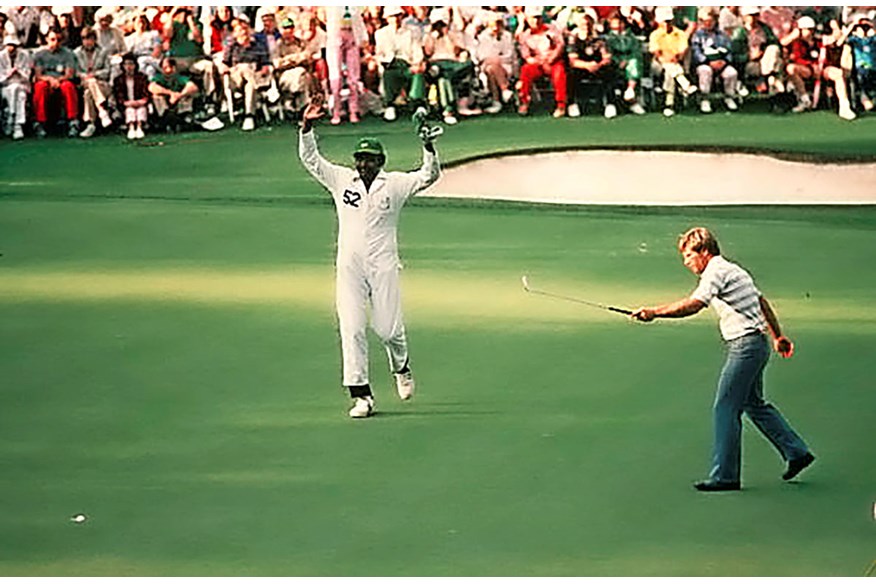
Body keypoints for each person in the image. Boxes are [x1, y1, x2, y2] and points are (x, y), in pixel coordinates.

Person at [631, 227, 815, 492]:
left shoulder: (715, 272)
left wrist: (654, 312)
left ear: (704, 252)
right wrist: (777, 336)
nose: (686, 262)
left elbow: (695, 304)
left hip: (745, 346)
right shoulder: (735, 270)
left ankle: (726, 476)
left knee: (725, 407)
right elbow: (761, 302)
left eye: (688, 256)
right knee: (754, 403)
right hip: (757, 344)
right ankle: (796, 452)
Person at [297, 96, 441, 419]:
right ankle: (361, 395)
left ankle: (401, 366)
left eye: (370, 159)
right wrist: (306, 126)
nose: (363, 164)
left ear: (381, 161)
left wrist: (428, 148)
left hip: (384, 264)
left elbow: (428, 177)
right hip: (349, 266)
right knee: (352, 327)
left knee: (388, 330)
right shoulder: (341, 180)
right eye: (360, 159)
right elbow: (312, 161)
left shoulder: (395, 184)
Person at [516, 5, 567, 118]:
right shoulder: (525, 36)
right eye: (532, 18)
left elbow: (560, 45)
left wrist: (552, 58)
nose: (535, 21)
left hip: (553, 62)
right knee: (526, 70)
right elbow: (527, 56)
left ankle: (561, 105)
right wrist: (538, 62)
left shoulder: (552, 30)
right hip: (538, 64)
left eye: (538, 17)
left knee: (559, 72)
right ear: (527, 19)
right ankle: (524, 102)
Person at [648, 6, 698, 117]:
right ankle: (685, 84)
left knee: (670, 73)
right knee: (670, 68)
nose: (666, 24)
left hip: (675, 63)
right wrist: (666, 58)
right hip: (658, 64)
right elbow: (656, 52)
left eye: (668, 21)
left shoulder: (680, 34)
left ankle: (669, 104)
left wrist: (675, 57)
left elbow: (682, 50)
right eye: (664, 21)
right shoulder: (654, 35)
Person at [690, 7, 740, 113]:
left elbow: (729, 50)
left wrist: (724, 61)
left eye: (710, 21)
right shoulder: (697, 35)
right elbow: (696, 51)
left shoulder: (722, 35)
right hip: (705, 64)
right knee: (705, 71)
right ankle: (704, 99)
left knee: (731, 73)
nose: (708, 24)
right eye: (705, 21)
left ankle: (729, 97)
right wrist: (707, 62)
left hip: (721, 63)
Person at [32, 28, 80, 138]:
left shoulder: (68, 53)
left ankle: (73, 121)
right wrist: (50, 80)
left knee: (68, 86)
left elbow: (70, 74)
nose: (56, 43)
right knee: (40, 87)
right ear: (47, 39)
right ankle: (40, 122)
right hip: (46, 81)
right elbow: (38, 75)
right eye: (53, 39)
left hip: (62, 80)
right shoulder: (39, 54)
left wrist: (58, 80)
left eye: (59, 40)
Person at [74, 26, 114, 138]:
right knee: (89, 85)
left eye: (89, 39)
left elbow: (107, 71)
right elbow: (75, 72)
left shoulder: (103, 52)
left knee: (88, 94)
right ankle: (102, 110)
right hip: (84, 83)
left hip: (102, 84)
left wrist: (95, 74)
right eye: (84, 39)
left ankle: (91, 124)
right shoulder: (76, 53)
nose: (87, 42)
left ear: (95, 39)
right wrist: (85, 76)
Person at [0, 31, 31, 140]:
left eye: (13, 45)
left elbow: (27, 76)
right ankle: (17, 123)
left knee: (19, 92)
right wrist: (9, 75)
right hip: (6, 87)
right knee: (15, 91)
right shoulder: (1, 56)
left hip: (21, 85)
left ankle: (13, 120)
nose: (11, 48)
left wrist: (19, 74)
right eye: (9, 45)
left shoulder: (25, 55)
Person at [113, 52, 150, 140]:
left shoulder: (142, 77)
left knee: (141, 110)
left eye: (131, 64)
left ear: (135, 65)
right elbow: (118, 95)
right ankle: (131, 127)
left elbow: (146, 93)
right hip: (126, 104)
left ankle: (139, 127)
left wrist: (141, 101)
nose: (128, 67)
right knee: (130, 110)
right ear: (122, 66)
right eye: (126, 64)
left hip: (140, 102)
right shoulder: (118, 79)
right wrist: (126, 103)